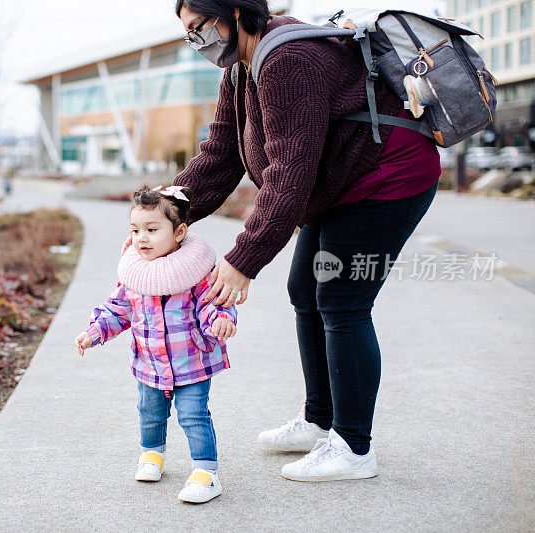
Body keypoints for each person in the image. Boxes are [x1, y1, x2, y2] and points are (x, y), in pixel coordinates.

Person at [173, 0, 441, 481]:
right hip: (340, 182)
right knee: (305, 292)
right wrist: (166, 211)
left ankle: (354, 448)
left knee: (342, 300)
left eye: (201, 29)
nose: (197, 43)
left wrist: (243, 260)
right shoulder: (241, 70)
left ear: (235, 13)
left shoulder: (288, 61)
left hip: (388, 177)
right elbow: (220, 155)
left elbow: (288, 178)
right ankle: (321, 423)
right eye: (189, 34)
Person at [74, 185, 237, 503]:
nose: (141, 238)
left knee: (193, 414)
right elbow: (118, 309)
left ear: (179, 232)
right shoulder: (135, 274)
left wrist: (220, 320)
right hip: (149, 362)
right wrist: (94, 332)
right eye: (135, 230)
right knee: (149, 412)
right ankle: (152, 455)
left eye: (152, 229)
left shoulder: (195, 273)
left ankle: (206, 472)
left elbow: (212, 302)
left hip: (191, 361)